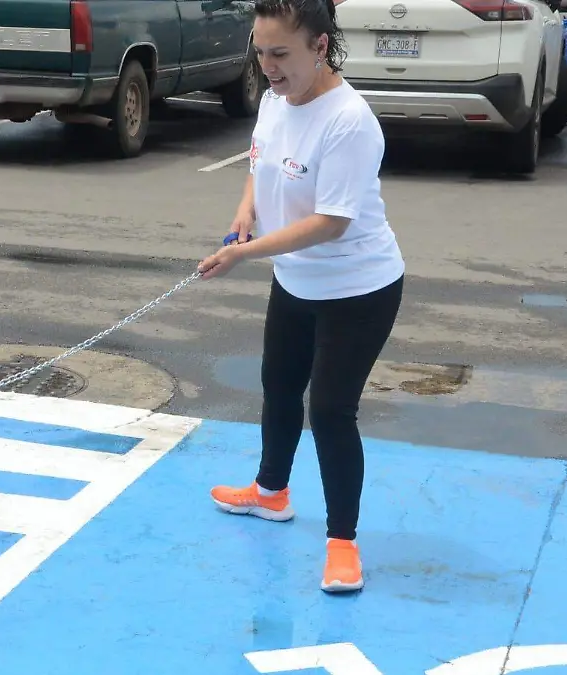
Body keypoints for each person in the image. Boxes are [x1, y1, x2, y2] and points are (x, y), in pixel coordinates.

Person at [196, 0, 405, 593]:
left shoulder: (349, 120)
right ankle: (270, 492)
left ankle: (343, 542)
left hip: (358, 289)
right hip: (295, 281)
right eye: (260, 53)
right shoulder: (272, 102)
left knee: (332, 410)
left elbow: (331, 222)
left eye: (280, 53)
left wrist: (244, 253)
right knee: (279, 386)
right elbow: (257, 168)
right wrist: (244, 215)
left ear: (320, 46)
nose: (268, 67)